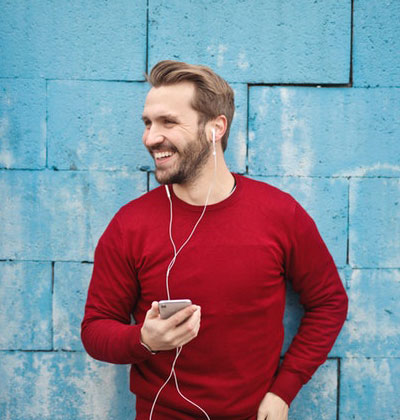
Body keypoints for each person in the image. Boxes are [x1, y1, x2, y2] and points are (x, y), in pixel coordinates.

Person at [81, 60, 348, 420]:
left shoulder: (279, 214)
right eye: (147, 123)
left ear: (215, 128)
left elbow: (329, 303)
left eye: (168, 122)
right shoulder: (130, 225)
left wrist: (283, 391)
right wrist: (143, 341)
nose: (150, 137)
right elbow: (96, 328)